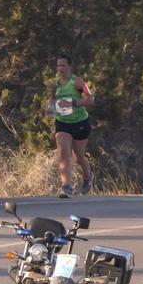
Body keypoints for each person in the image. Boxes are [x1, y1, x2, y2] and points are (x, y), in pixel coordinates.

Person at [49, 54, 95, 198]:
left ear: (69, 67)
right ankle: (66, 186)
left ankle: (88, 177)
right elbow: (52, 99)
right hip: (62, 122)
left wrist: (74, 103)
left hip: (80, 122)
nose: (60, 68)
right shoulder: (55, 83)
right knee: (63, 154)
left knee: (78, 157)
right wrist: (50, 108)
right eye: (58, 65)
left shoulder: (77, 82)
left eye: (63, 65)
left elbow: (90, 99)